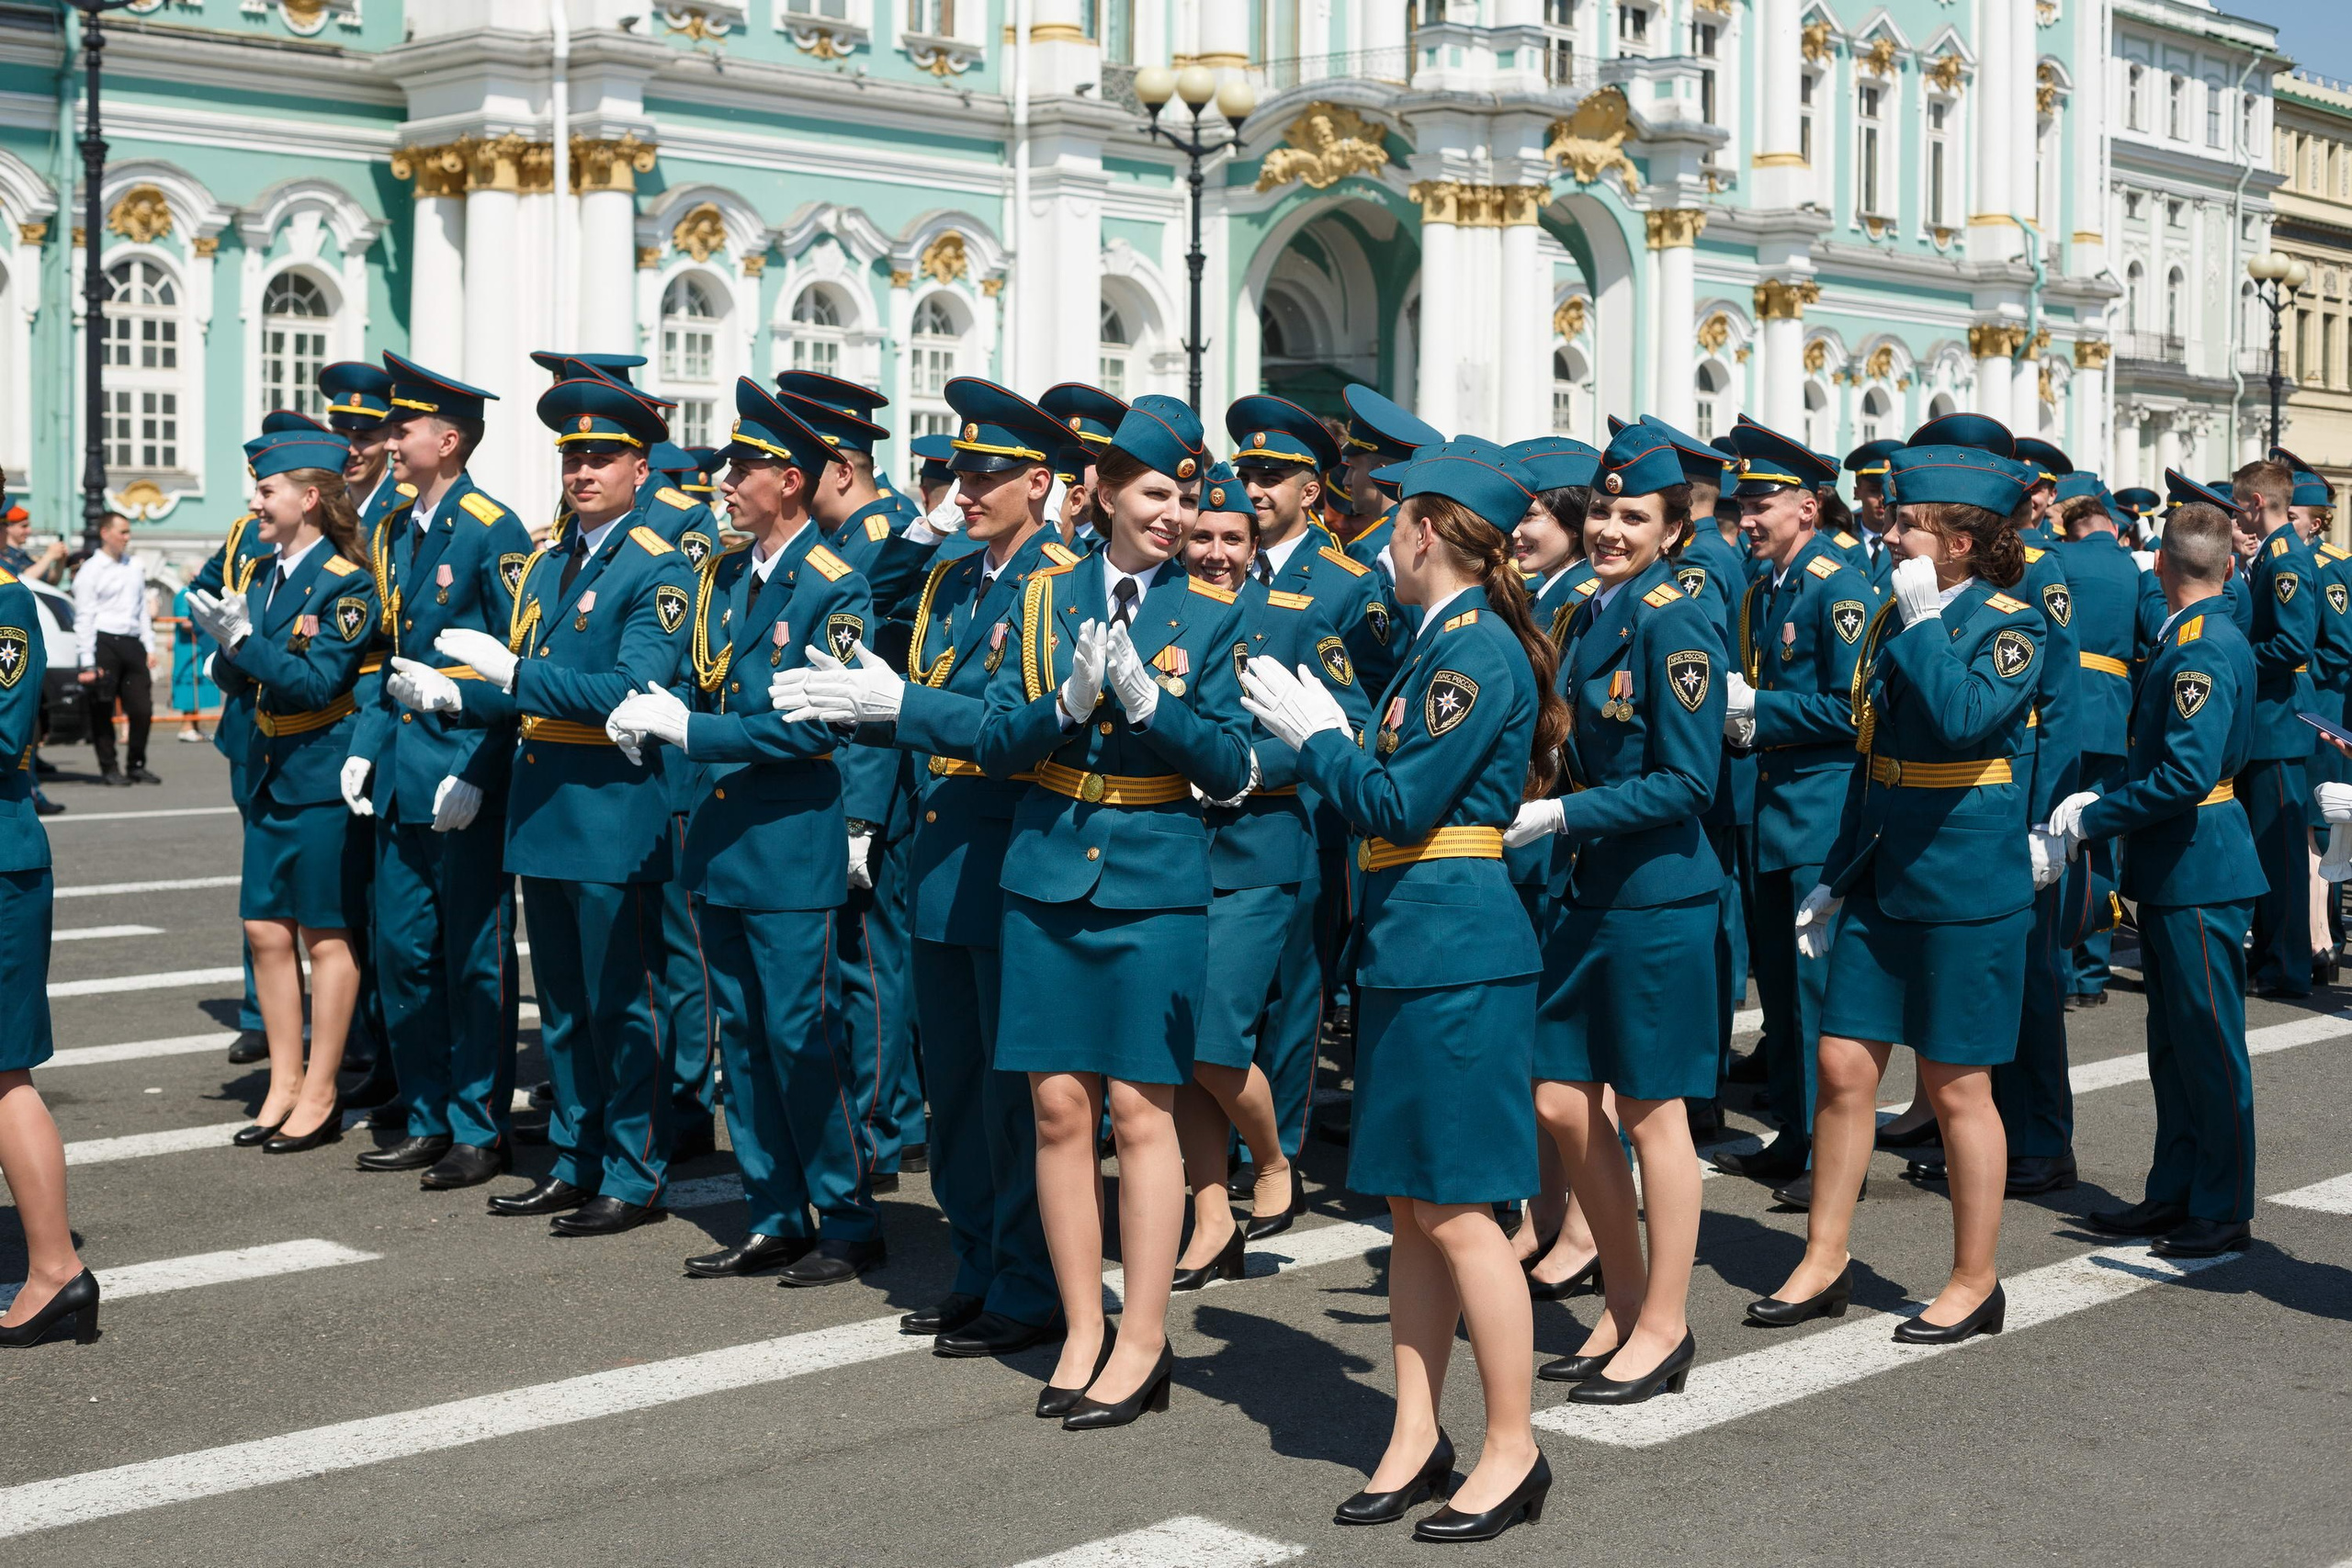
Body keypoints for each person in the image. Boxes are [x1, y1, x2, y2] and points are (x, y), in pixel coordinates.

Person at [1241, 438, 1557, 1541]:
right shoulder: (1437, 648)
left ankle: (1512, 1448)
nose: (1378, 537)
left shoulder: (1472, 655)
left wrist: (1322, 737)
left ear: (1425, 530)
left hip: (1456, 952)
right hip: (1411, 946)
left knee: (1465, 1211)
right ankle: (1416, 1432)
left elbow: (1393, 805)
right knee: (1415, 1211)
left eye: (1390, 519)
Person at [778, 377, 1079, 1343]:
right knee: (951, 1085)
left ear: (1040, 482)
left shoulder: (1058, 582)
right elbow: (882, 608)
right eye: (957, 473)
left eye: (987, 476)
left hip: (1011, 857)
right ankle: (980, 1260)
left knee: (1007, 1095)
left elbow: (1014, 727)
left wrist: (905, 711)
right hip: (940, 852)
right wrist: (918, 535)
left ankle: (1030, 1286)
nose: (966, 491)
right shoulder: (956, 576)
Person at [974, 394, 1254, 1429]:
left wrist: (1154, 711)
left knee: (1140, 1113)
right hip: (1047, 872)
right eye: (1154, 493)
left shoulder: (1215, 612)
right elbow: (994, 739)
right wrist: (1061, 709)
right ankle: (1080, 1326)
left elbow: (1231, 765)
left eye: (1184, 496)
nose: (1174, 515)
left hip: (1152, 883)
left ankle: (1141, 1336)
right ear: (1101, 494)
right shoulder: (1045, 602)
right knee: (1057, 1110)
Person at [1751, 444, 2043, 1344]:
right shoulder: (1891, 614)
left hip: (1964, 875)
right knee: (1842, 1065)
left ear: (1956, 543)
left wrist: (1921, 624)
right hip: (1883, 863)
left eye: (1906, 524)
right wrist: (1836, 879)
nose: (1886, 532)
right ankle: (1824, 1255)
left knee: (1956, 1086)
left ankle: (1973, 1280)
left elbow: (1962, 721)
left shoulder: (2012, 624)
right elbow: (1870, 757)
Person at [608, 377, 891, 1283]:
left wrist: (692, 730)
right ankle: (775, 1209)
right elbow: (703, 681)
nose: (726, 482)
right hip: (725, 842)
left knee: (802, 1037)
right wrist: (654, 702)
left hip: (790, 840)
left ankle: (845, 1215)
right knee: (742, 1038)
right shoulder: (724, 574)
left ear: (793, 482)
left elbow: (813, 722)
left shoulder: (833, 586)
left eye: (744, 468)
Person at [401, 368, 695, 1235]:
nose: (583, 471)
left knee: (624, 1004)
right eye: (573, 456)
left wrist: (514, 675)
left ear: (642, 469)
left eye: (602, 456)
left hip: (612, 809)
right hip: (543, 806)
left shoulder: (658, 566)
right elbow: (522, 693)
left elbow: (632, 684)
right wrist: (463, 703)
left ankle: (635, 1172)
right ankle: (575, 1157)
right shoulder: (546, 563)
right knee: (564, 1009)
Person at [1506, 421, 1723, 1406]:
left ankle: (1665, 1322)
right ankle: (1624, 1295)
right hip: (1590, 889)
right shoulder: (1592, 612)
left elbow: (1689, 780)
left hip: (1655, 895)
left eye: (1633, 516)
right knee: (1558, 1095)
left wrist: (1560, 811)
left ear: (1673, 529)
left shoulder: (1674, 617)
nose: (1608, 529)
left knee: (1651, 1113)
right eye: (1600, 510)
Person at [1165, 463, 1363, 1289]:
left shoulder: (1292, 619)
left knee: (1215, 1042)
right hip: (1169, 853)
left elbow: (1342, 727)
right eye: (1201, 536)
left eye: (1232, 538)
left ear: (1255, 545)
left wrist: (1251, 767)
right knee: (1176, 1052)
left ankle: (1274, 1156)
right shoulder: (1157, 619)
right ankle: (1211, 1219)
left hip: (1256, 853)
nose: (1215, 552)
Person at [343, 352, 531, 1191]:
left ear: (448, 440)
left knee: (474, 961)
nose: (390, 439)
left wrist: (483, 768)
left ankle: (478, 1125)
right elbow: (390, 651)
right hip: (399, 773)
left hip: (461, 777)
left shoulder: (494, 527)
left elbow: (518, 671)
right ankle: (425, 1114)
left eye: (404, 426)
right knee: (404, 955)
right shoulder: (390, 529)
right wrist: (364, 739)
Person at [2057, 502, 2263, 1258]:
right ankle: (2175, 1190)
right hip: (2183, 861)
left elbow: (2183, 773)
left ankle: (2221, 1204)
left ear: (2162, 567)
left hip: (2198, 863)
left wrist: (2097, 815)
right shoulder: (2197, 633)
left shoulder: (2201, 649)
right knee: (2175, 1045)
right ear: (2228, 566)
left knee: (2208, 1043)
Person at [187, 430, 380, 1156]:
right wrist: (228, 648)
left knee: (324, 933)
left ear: (309, 498)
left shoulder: (347, 581)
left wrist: (244, 646)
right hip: (269, 763)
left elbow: (317, 680)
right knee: (265, 930)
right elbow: (243, 672)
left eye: (267, 491)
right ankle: (284, 1080)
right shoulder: (265, 574)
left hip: (320, 771)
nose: (256, 502)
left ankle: (323, 1088)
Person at [1227, 392, 1394, 1172]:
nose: (1255, 488)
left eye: (1273, 475)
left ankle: (1276, 1151)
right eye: (1247, 471)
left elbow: (1367, 718)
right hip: (1215, 811)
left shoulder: (1347, 583)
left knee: (1294, 991)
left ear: (1312, 490)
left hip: (1307, 811)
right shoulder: (1215, 560)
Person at [1711, 423, 1869, 1196]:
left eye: (1761, 503)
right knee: (1781, 986)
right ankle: (1799, 1133)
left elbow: (1851, 711)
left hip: (1820, 813)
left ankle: (1831, 1158)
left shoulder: (1839, 584)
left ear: (1807, 507)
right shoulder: (1768, 586)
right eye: (1743, 502)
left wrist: (1757, 710)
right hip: (1774, 809)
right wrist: (1746, 719)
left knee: (1817, 994)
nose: (1747, 517)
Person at [0, 552, 96, 1348]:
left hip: (0, 864)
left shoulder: (8, 609)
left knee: (4, 1069)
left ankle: (56, 1267)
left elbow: (3, 736)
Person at [2226, 458, 2319, 998]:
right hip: (2269, 723)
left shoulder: (2285, 559)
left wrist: (2237, 657)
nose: (2239, 513)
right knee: (2267, 849)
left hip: (2279, 724)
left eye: (2241, 503)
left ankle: (2287, 967)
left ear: (2256, 503)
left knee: (2281, 856)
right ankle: (2270, 956)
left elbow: (2291, 645)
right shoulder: (2272, 556)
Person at [2051, 479, 2144, 1009]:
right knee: (2099, 838)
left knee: (2056, 835)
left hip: (2067, 713)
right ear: (2108, 525)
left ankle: (2060, 970)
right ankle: (2092, 975)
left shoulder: (2060, 560)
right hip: (2114, 714)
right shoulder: (2133, 568)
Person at [74, 512, 158, 786]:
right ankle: (109, 767)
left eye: (128, 531)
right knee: (103, 707)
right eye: (122, 532)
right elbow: (84, 616)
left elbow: (141, 610)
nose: (127, 537)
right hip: (104, 641)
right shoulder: (91, 570)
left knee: (142, 709)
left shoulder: (134, 566)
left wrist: (149, 644)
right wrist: (87, 660)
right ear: (105, 533)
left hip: (132, 641)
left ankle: (136, 763)